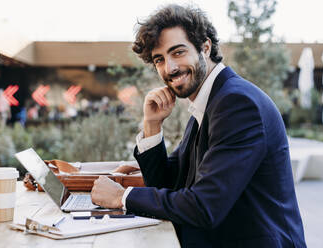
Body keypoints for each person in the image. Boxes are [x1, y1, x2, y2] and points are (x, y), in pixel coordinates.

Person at [91, 4, 306, 247]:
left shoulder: (236, 105)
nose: (169, 68)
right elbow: (170, 183)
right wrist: (152, 126)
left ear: (205, 47)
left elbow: (204, 206)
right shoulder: (209, 102)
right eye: (159, 59)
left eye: (178, 52)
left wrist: (122, 197)